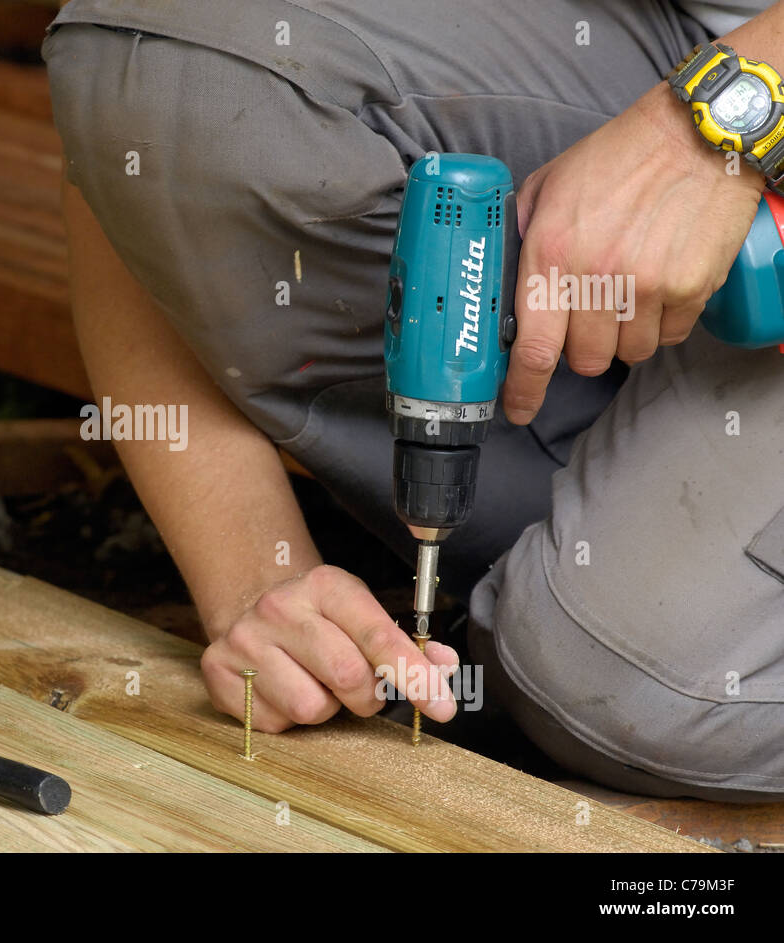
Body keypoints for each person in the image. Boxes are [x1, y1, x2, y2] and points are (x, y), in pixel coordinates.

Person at [42, 0, 784, 800]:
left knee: (624, 686)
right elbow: (133, 125)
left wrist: (712, 129)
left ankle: (630, 589)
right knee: (176, 69)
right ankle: (615, 532)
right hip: (660, 48)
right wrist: (256, 581)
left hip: (745, 84)